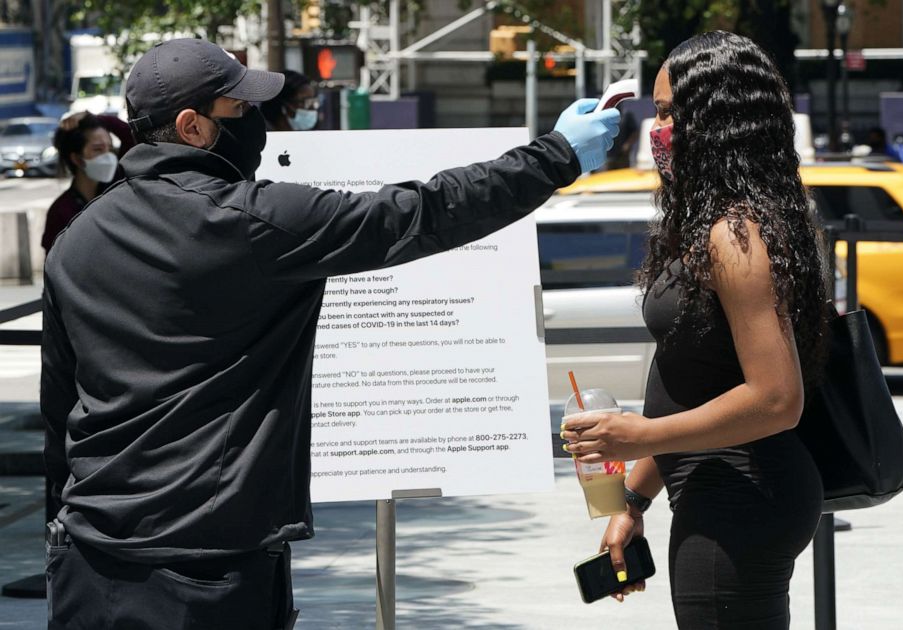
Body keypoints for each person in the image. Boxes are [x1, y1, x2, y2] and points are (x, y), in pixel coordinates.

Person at [41, 38, 618, 630]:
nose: (259, 123)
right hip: (205, 570)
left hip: (88, 563)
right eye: (241, 110)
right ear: (193, 127)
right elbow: (421, 213)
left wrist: (56, 545)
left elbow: (60, 411)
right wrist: (556, 155)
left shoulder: (74, 242)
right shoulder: (247, 222)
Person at [561, 31, 832, 629]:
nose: (656, 130)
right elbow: (698, 385)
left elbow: (776, 399)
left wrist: (639, 435)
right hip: (719, 491)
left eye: (666, 113)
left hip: (738, 499)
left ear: (715, 120)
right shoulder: (725, 223)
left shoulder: (736, 236)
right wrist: (634, 497)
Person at [41, 112, 135, 253]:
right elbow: (53, 267)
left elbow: (130, 136)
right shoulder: (60, 211)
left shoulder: (116, 186)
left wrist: (94, 118)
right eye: (98, 149)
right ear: (77, 159)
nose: (108, 156)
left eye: (110, 149)